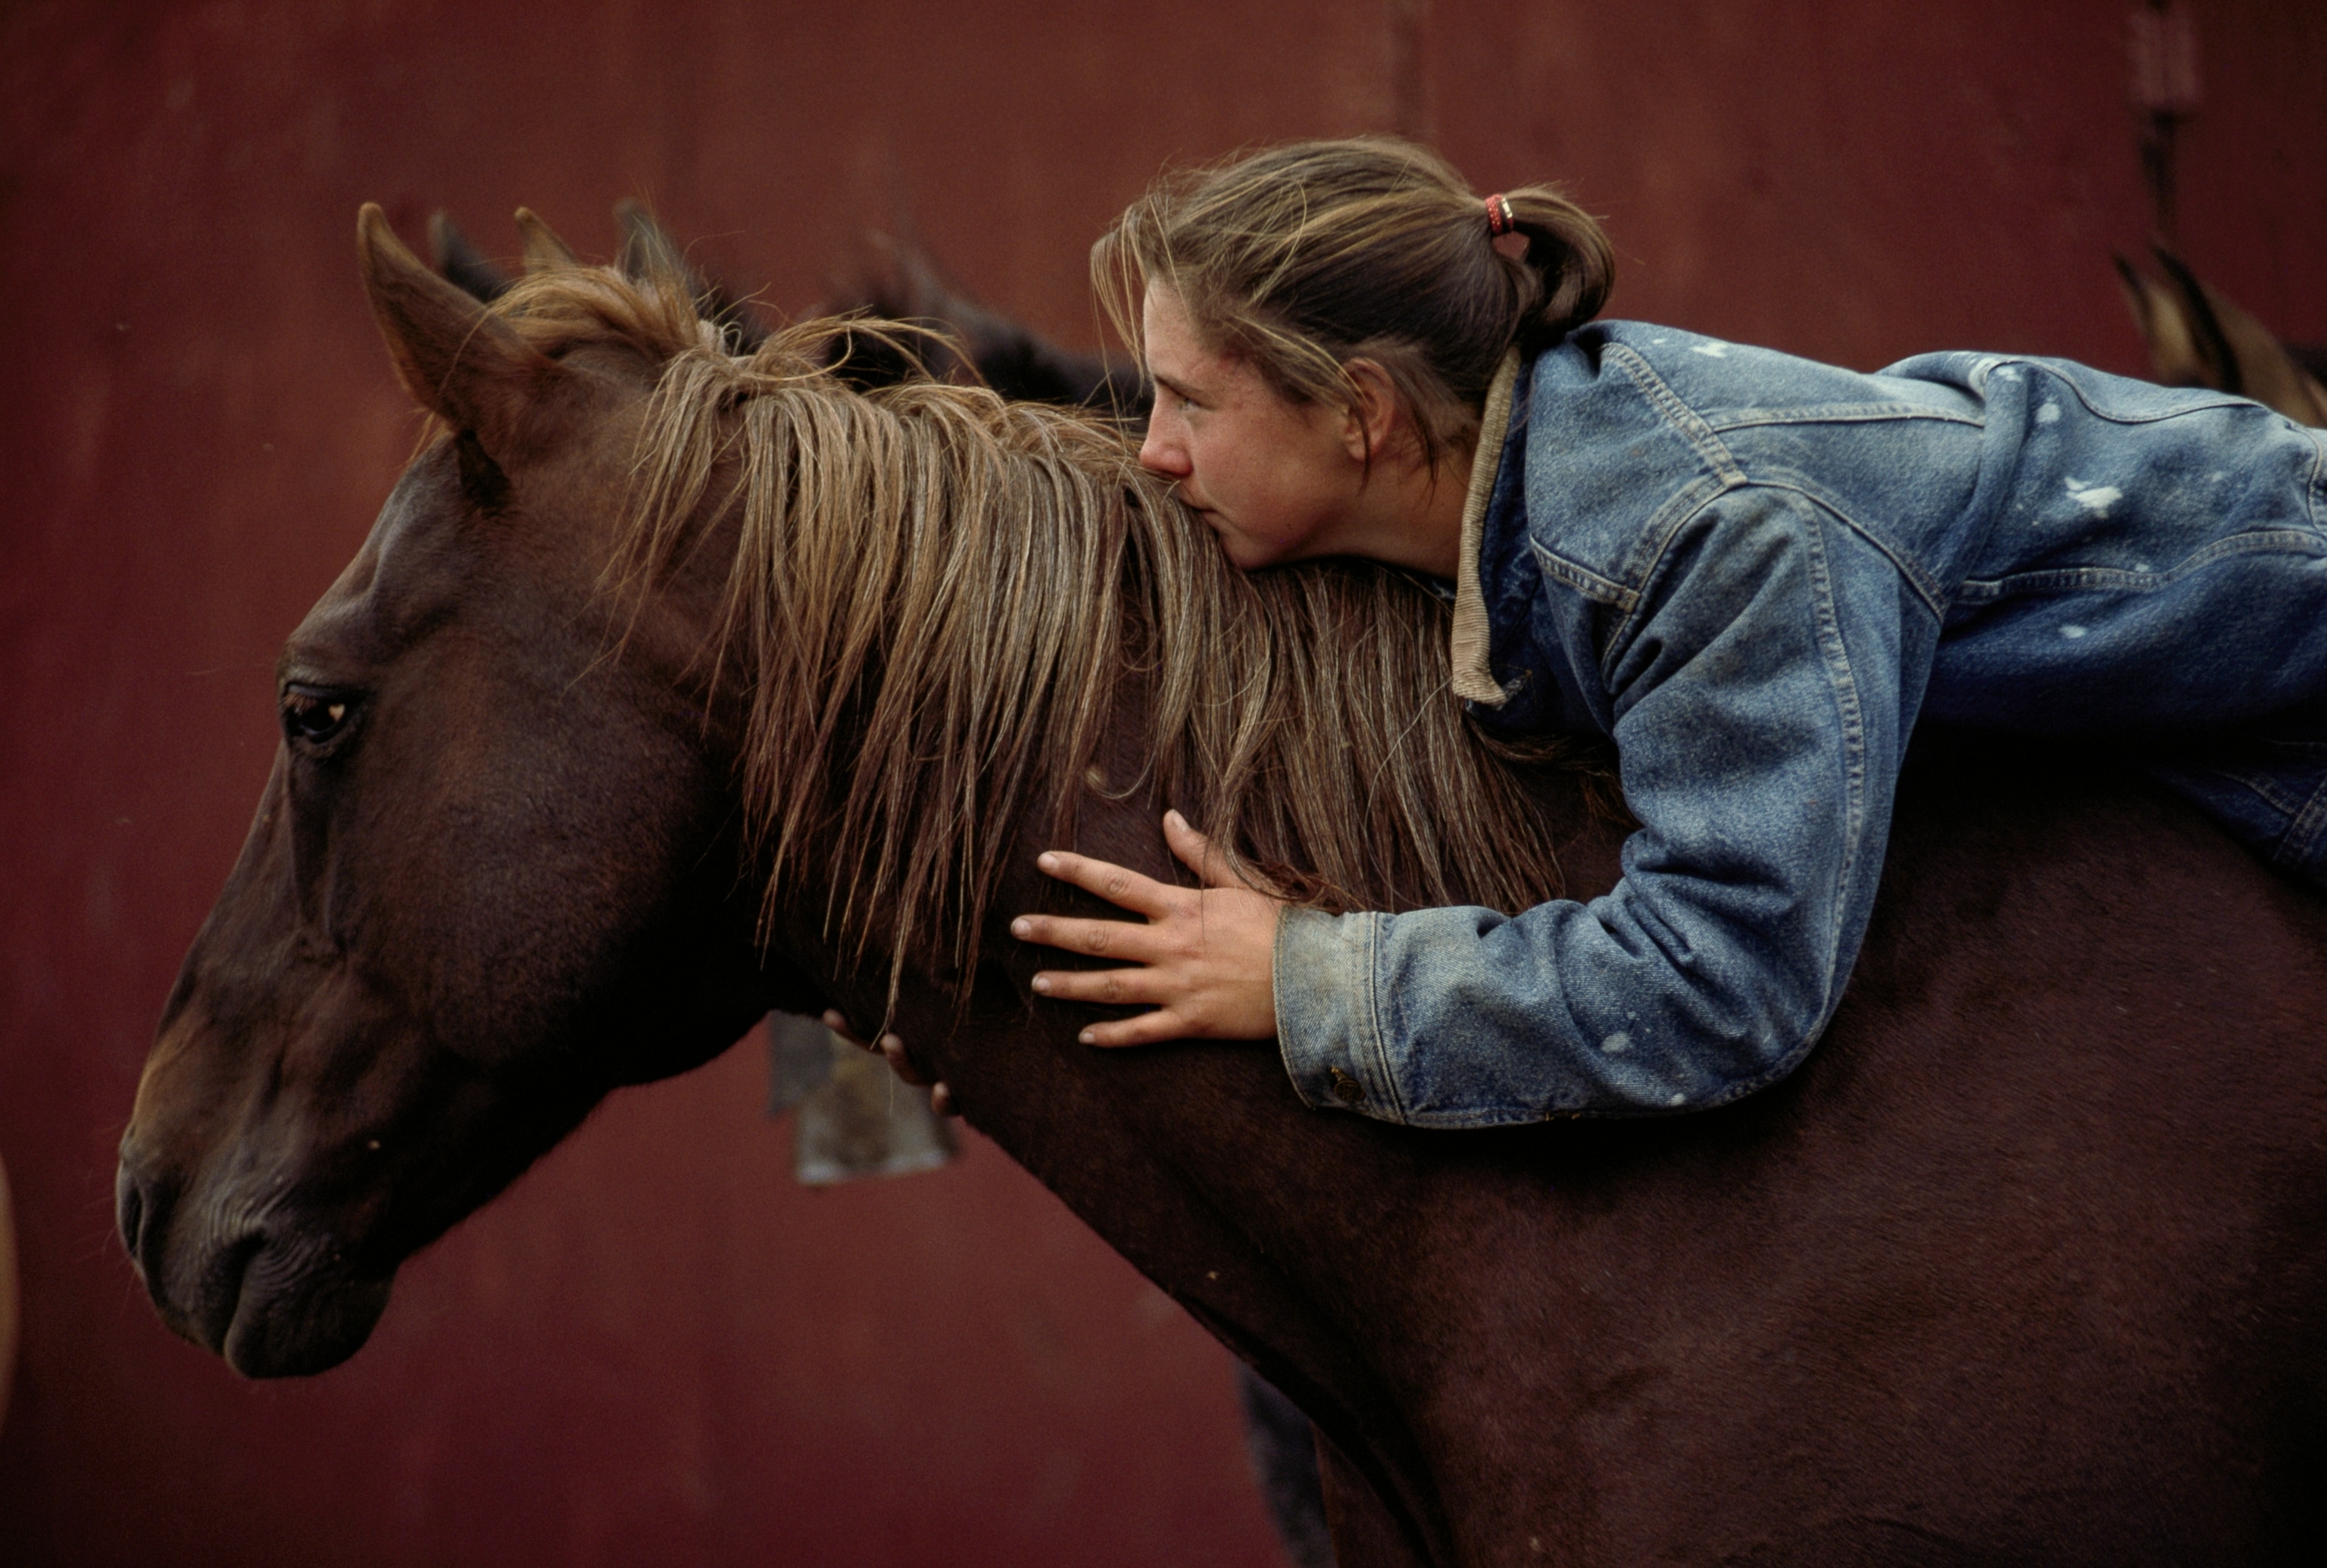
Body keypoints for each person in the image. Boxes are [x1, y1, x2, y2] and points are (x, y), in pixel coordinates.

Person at [848, 136, 2327, 1129]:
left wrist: (1311, 983)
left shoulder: (1699, 536)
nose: (1153, 447)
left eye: (1192, 402)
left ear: (1363, 415)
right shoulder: (1478, 500)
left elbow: (1721, 985)